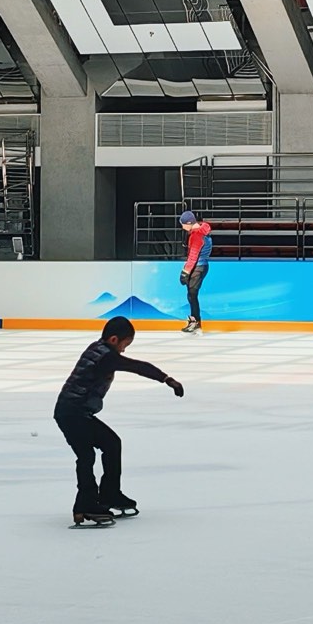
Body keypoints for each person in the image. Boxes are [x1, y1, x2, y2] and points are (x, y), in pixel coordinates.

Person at [56, 316, 184, 527]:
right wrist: (166, 379)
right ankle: (86, 505)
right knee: (87, 455)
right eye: (125, 345)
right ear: (114, 339)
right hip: (72, 413)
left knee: (111, 444)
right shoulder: (107, 357)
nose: (124, 350)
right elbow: (137, 366)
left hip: (75, 412)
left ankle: (109, 495)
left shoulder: (97, 348)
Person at [177, 209, 214, 333]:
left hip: (197, 267)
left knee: (192, 295)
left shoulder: (196, 235)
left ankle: (195, 323)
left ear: (188, 223)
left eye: (183, 224)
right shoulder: (203, 231)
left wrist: (185, 272)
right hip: (202, 266)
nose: (182, 227)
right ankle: (195, 322)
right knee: (192, 295)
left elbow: (193, 256)